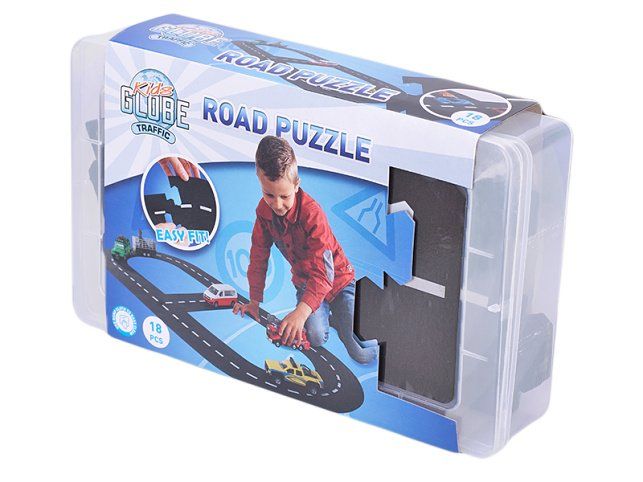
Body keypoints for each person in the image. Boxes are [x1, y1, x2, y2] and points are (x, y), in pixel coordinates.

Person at [233, 136, 377, 364]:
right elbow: (258, 256)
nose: (277, 204)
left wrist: (301, 312)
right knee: (317, 337)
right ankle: (331, 319)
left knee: (357, 349)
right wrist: (254, 301)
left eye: (285, 196)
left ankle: (345, 326)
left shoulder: (312, 214)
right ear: (259, 181)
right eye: (269, 194)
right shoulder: (263, 212)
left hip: (338, 281)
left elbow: (324, 273)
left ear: (296, 185)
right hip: (306, 283)